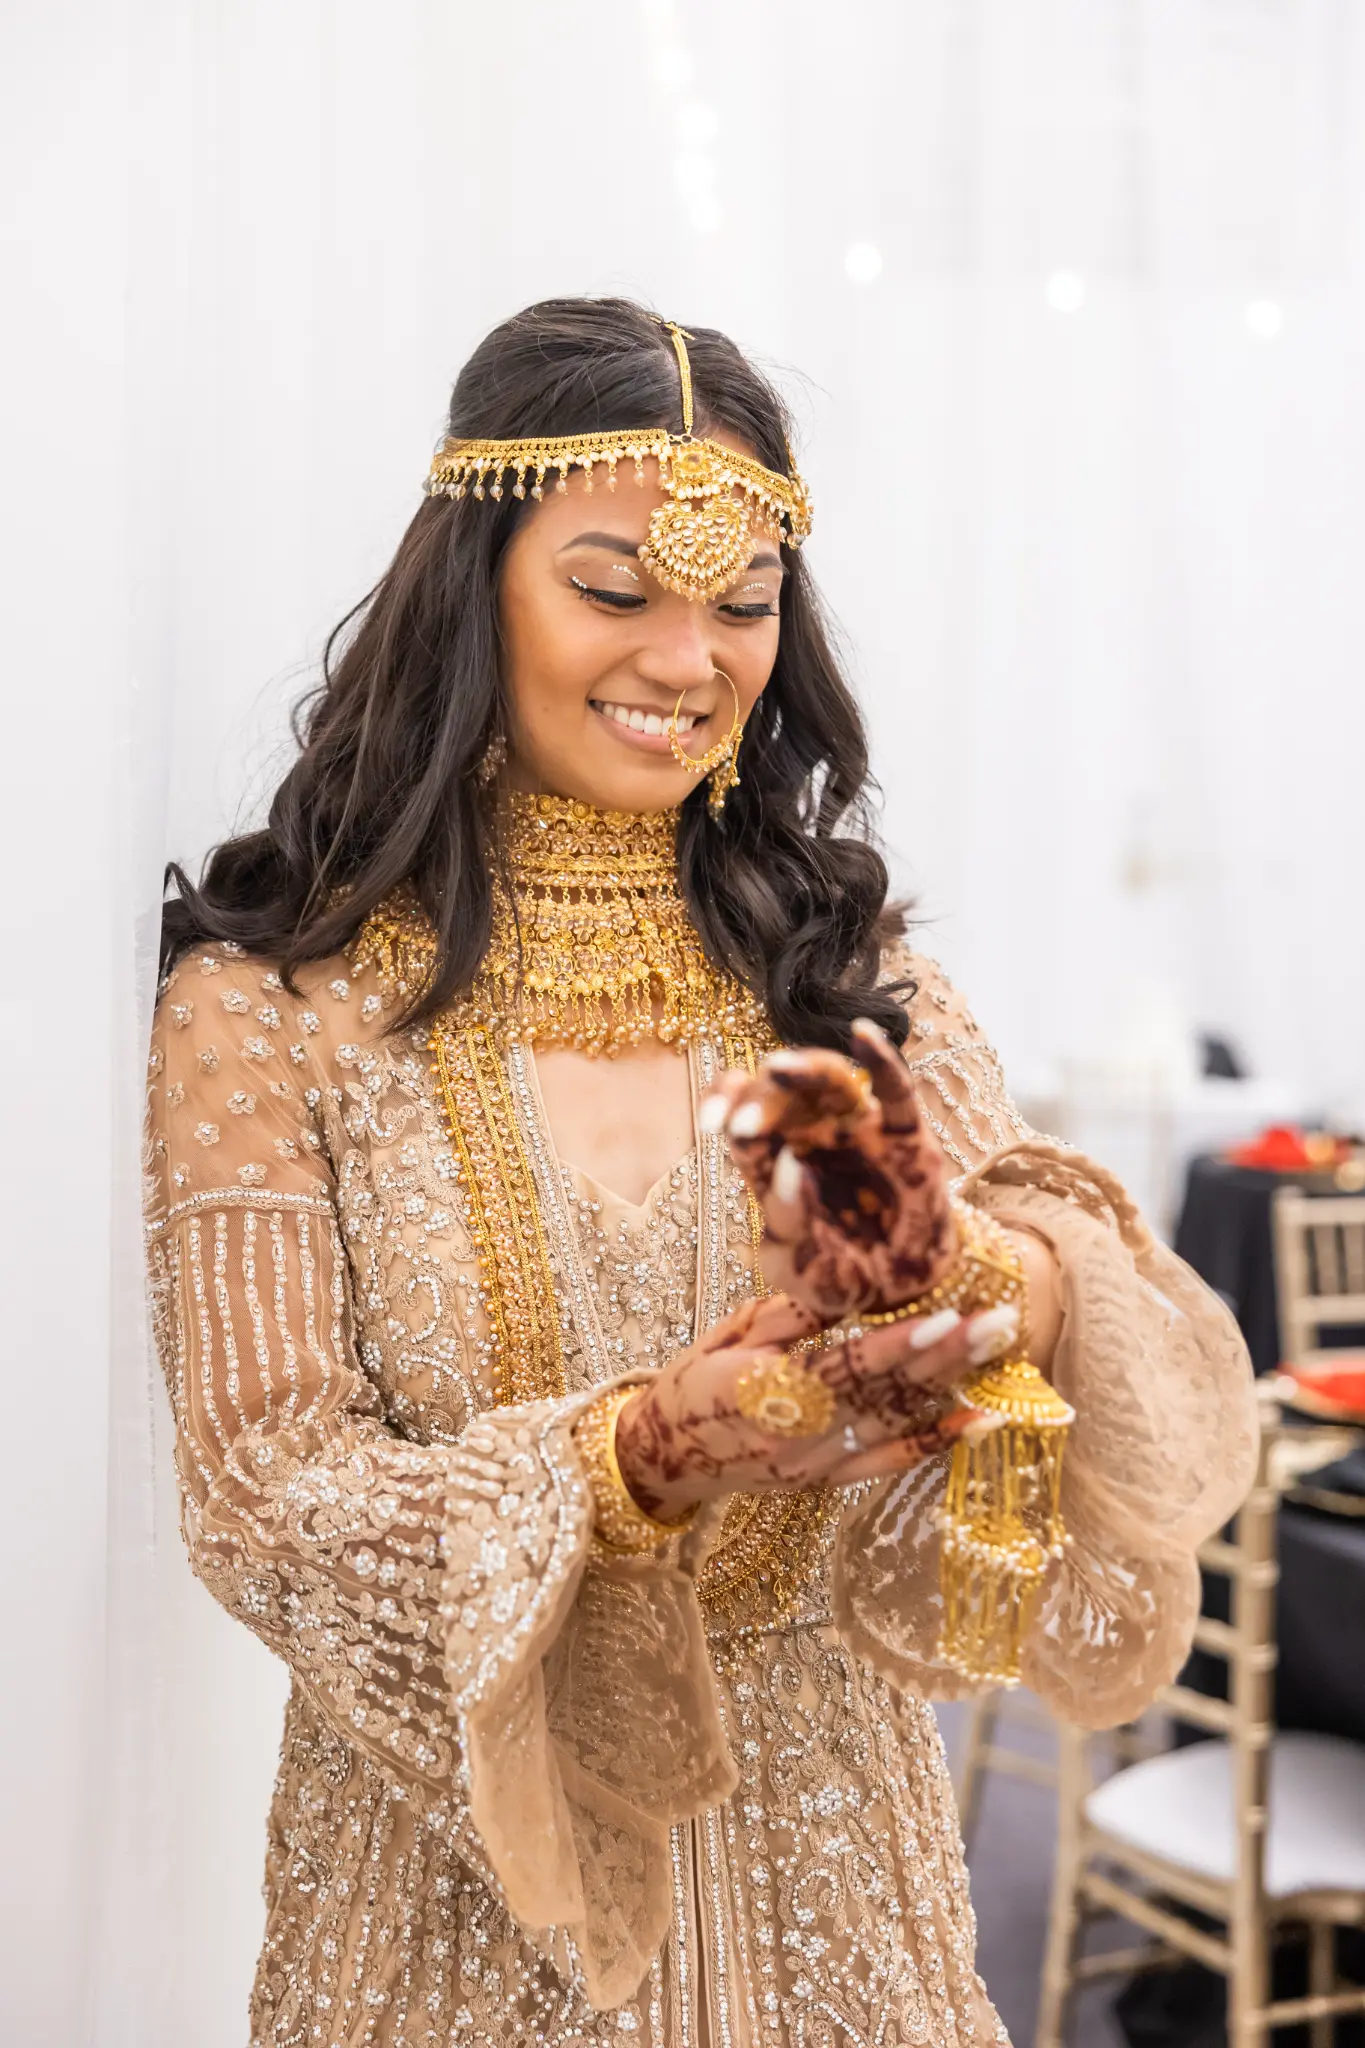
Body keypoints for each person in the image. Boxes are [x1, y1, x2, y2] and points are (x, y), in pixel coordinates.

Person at [145, 297, 1256, 2048]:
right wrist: (637, 1456)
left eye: (743, 606)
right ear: (472, 584)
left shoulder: (821, 956)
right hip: (464, 1870)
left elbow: (1052, 1244)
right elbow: (261, 1490)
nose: (691, 659)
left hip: (837, 1863)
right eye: (614, 590)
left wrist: (982, 1282)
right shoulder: (272, 998)